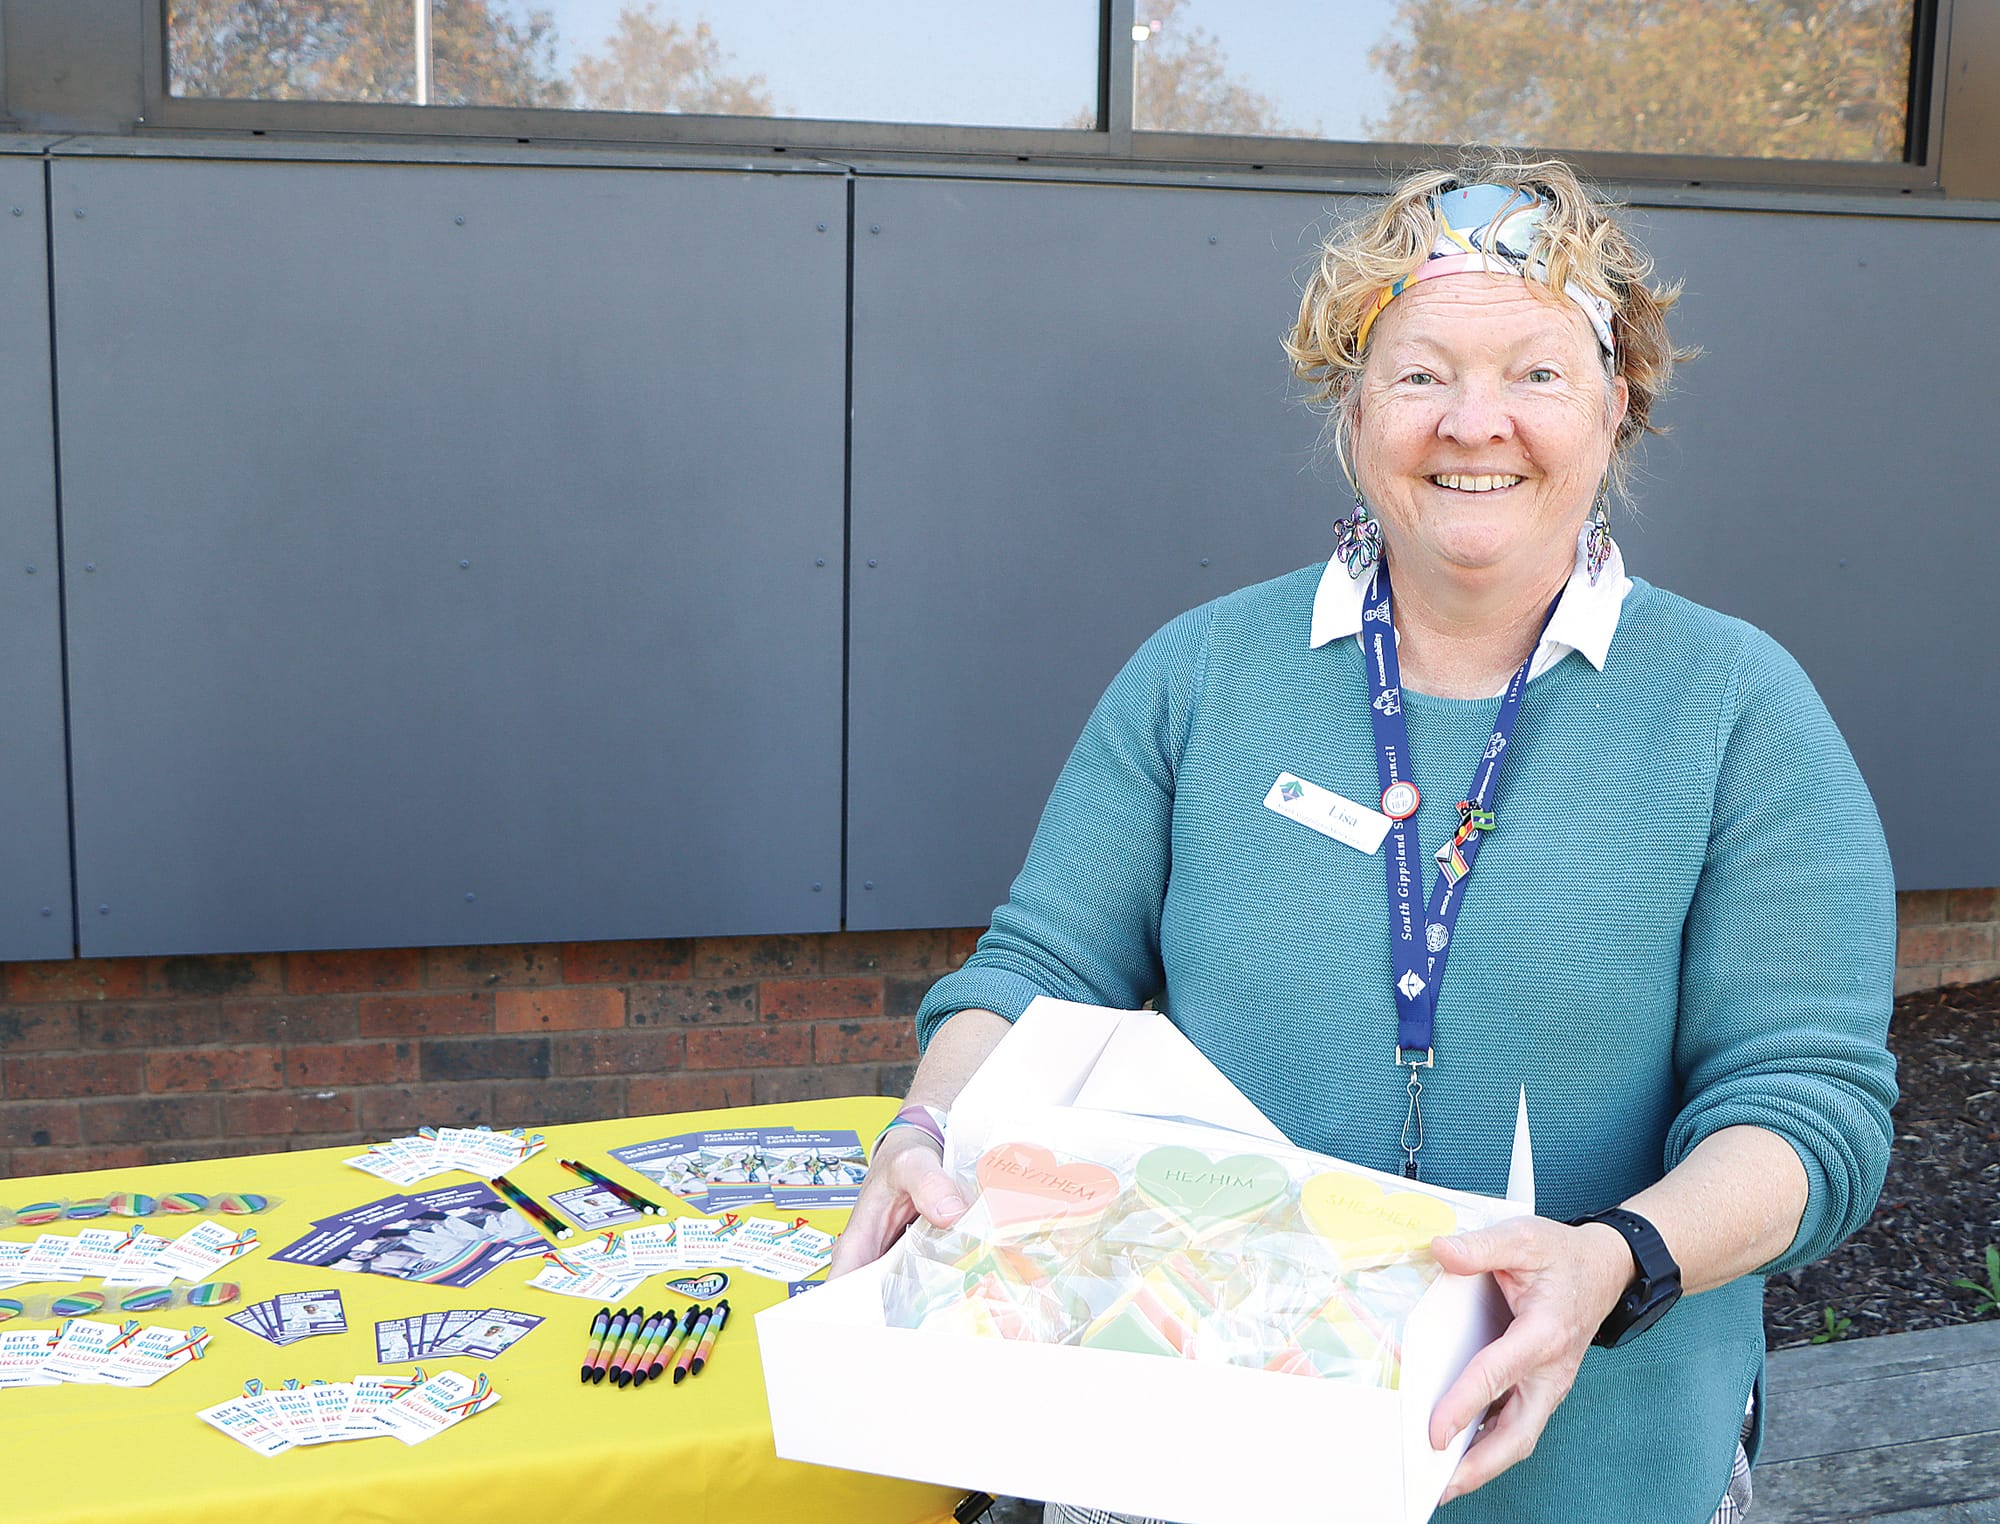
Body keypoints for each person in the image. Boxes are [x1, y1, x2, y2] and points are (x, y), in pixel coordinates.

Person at [828, 151, 1897, 1524]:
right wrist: (929, 1126)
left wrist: (1614, 1261)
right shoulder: (1201, 675)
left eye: (1536, 373)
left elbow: (1804, 1103)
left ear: (1616, 403)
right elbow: (1039, 971)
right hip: (1203, 1446)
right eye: (1420, 373)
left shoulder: (1736, 705)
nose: (1474, 422)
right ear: (1351, 406)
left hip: (1595, 1467)